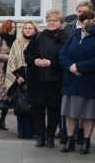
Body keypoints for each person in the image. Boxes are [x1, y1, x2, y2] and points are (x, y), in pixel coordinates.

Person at [58, 10, 95, 155]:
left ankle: (86, 141)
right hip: (71, 81)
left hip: (89, 81)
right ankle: (70, 140)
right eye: (87, 20)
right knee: (70, 112)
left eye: (94, 20)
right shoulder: (74, 36)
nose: (91, 23)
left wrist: (80, 67)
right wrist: (71, 67)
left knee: (88, 113)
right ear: (81, 22)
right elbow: (62, 54)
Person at [24, 10, 67, 149]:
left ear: (61, 23)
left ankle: (50, 138)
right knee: (37, 109)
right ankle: (40, 137)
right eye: (49, 20)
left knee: (54, 110)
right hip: (37, 79)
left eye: (55, 20)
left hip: (55, 80)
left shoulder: (66, 37)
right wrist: (35, 60)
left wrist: (51, 63)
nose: (51, 22)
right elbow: (27, 54)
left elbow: (66, 57)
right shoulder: (38, 36)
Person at [5, 21, 39, 139]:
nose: (28, 30)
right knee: (21, 105)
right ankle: (21, 131)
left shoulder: (39, 42)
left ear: (35, 30)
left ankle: (31, 131)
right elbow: (12, 61)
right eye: (26, 28)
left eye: (30, 28)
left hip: (35, 76)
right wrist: (18, 76)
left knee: (32, 106)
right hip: (20, 76)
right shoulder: (17, 42)